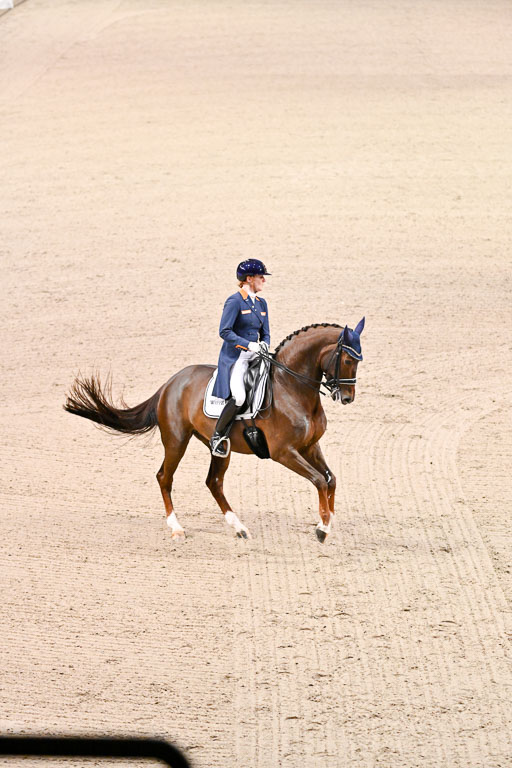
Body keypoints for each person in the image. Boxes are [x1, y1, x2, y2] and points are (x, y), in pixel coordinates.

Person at [210, 259, 271, 457]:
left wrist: (265, 344)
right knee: (239, 396)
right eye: (261, 277)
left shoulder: (262, 303)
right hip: (237, 357)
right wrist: (248, 345)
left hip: (257, 354)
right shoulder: (234, 301)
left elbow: (265, 333)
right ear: (249, 279)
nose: (264, 280)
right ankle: (218, 435)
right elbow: (225, 331)